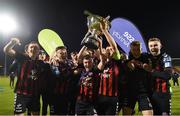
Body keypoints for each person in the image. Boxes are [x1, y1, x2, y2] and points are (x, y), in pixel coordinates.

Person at [4, 38, 49, 115]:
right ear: (27, 50)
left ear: (38, 51)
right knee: (19, 114)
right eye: (31, 47)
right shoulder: (22, 57)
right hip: (21, 94)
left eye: (36, 48)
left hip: (35, 95)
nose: (33, 49)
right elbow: (7, 50)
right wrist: (12, 43)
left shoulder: (41, 63)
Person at [125, 41, 153, 116]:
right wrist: (129, 63)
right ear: (130, 49)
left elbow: (150, 69)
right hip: (130, 92)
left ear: (141, 48)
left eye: (138, 49)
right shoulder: (127, 58)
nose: (136, 52)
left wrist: (139, 64)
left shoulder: (146, 57)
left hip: (143, 91)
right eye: (134, 49)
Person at [146, 37, 172, 115]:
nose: (153, 48)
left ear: (160, 46)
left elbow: (167, 75)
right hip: (150, 94)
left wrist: (151, 70)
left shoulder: (166, 57)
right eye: (151, 46)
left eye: (155, 45)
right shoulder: (146, 58)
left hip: (163, 93)